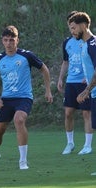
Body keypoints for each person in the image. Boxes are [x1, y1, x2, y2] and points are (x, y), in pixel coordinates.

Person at [0, 25, 53, 170]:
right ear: (2, 41)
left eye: (12, 40)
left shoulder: (27, 56)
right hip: (6, 99)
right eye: (6, 40)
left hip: (24, 97)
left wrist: (48, 90)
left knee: (19, 120)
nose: (9, 43)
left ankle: (22, 161)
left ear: (17, 40)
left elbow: (44, 68)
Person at [57, 11, 93, 155]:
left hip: (85, 82)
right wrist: (60, 78)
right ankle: (70, 143)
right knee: (68, 113)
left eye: (74, 26)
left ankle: (87, 145)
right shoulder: (67, 43)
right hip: (71, 82)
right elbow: (65, 62)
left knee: (86, 113)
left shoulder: (88, 41)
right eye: (69, 26)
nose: (72, 30)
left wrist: (89, 77)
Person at [69, 12, 96, 175]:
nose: (72, 32)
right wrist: (88, 80)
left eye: (73, 28)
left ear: (83, 25)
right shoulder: (87, 44)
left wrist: (86, 90)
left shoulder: (92, 44)